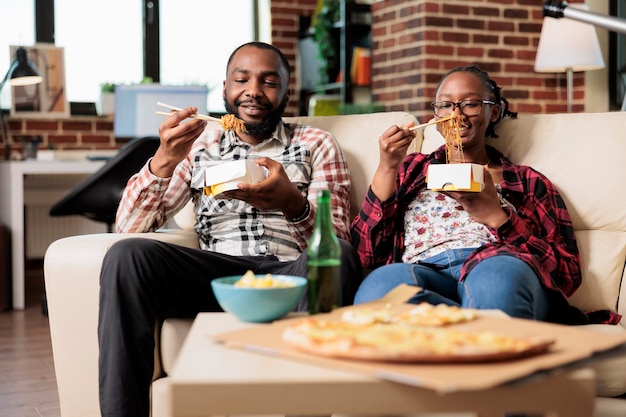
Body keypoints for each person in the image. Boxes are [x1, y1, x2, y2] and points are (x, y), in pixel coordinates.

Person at [98, 41, 363, 417]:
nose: (253, 90)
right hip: (216, 273)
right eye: (241, 79)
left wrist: (292, 204)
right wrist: (163, 160)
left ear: (287, 93)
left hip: (287, 274)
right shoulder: (198, 145)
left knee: (341, 261)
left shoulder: (316, 144)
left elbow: (335, 241)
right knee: (126, 256)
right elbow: (130, 226)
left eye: (269, 82)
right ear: (224, 89)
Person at [350, 64, 619, 325]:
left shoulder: (528, 181)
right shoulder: (410, 170)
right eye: (445, 105)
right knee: (379, 291)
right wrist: (387, 166)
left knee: (495, 282)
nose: (457, 114)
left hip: (495, 261)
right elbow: (366, 254)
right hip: (423, 271)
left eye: (470, 103)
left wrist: (498, 216)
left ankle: (469, 318)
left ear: (494, 112)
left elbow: (567, 274)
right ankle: (479, 318)